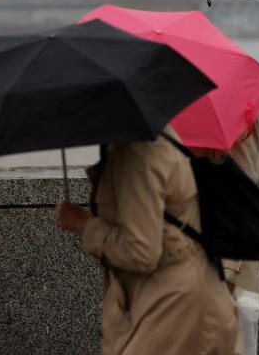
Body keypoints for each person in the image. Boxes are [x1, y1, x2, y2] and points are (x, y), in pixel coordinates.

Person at [55, 127, 237, 355]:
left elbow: (141, 252)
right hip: (175, 296)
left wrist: (86, 224)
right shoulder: (142, 144)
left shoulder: (138, 155)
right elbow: (149, 225)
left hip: (173, 303)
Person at [190, 117, 259, 355]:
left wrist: (228, 271)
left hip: (229, 271)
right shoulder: (228, 116)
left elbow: (238, 198)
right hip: (229, 269)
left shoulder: (229, 125)